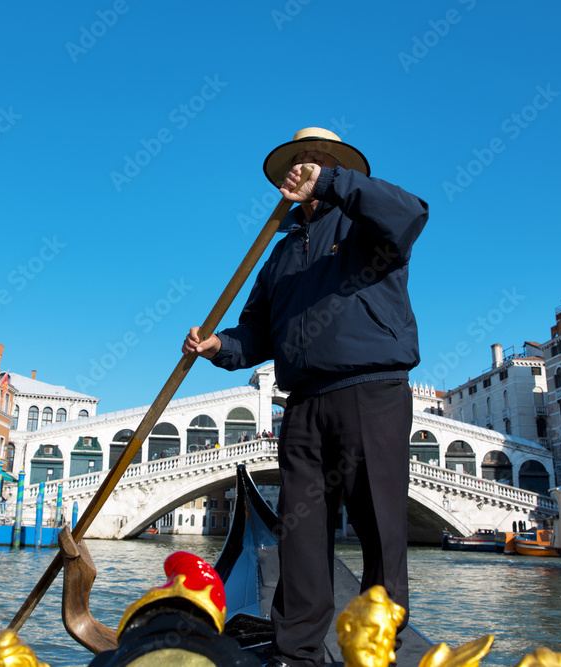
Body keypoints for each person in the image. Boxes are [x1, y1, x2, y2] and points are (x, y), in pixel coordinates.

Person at [183, 127, 428, 667]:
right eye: (302, 162)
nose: (308, 168)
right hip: (302, 404)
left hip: (372, 390)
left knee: (379, 526)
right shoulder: (279, 255)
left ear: (337, 169)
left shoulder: (369, 220)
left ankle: (379, 646)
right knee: (300, 533)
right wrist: (218, 345)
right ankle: (295, 653)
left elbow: (411, 213)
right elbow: (258, 333)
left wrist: (336, 182)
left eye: (318, 161)